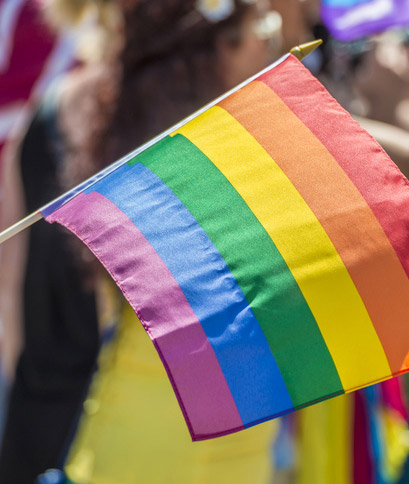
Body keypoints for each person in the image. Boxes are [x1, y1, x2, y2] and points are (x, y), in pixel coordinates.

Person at [0, 1, 285, 482]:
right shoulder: (215, 150)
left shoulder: (50, 112)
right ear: (216, 41)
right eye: (262, 29)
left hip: (41, 428)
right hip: (154, 447)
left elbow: (11, 303)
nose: (267, 45)